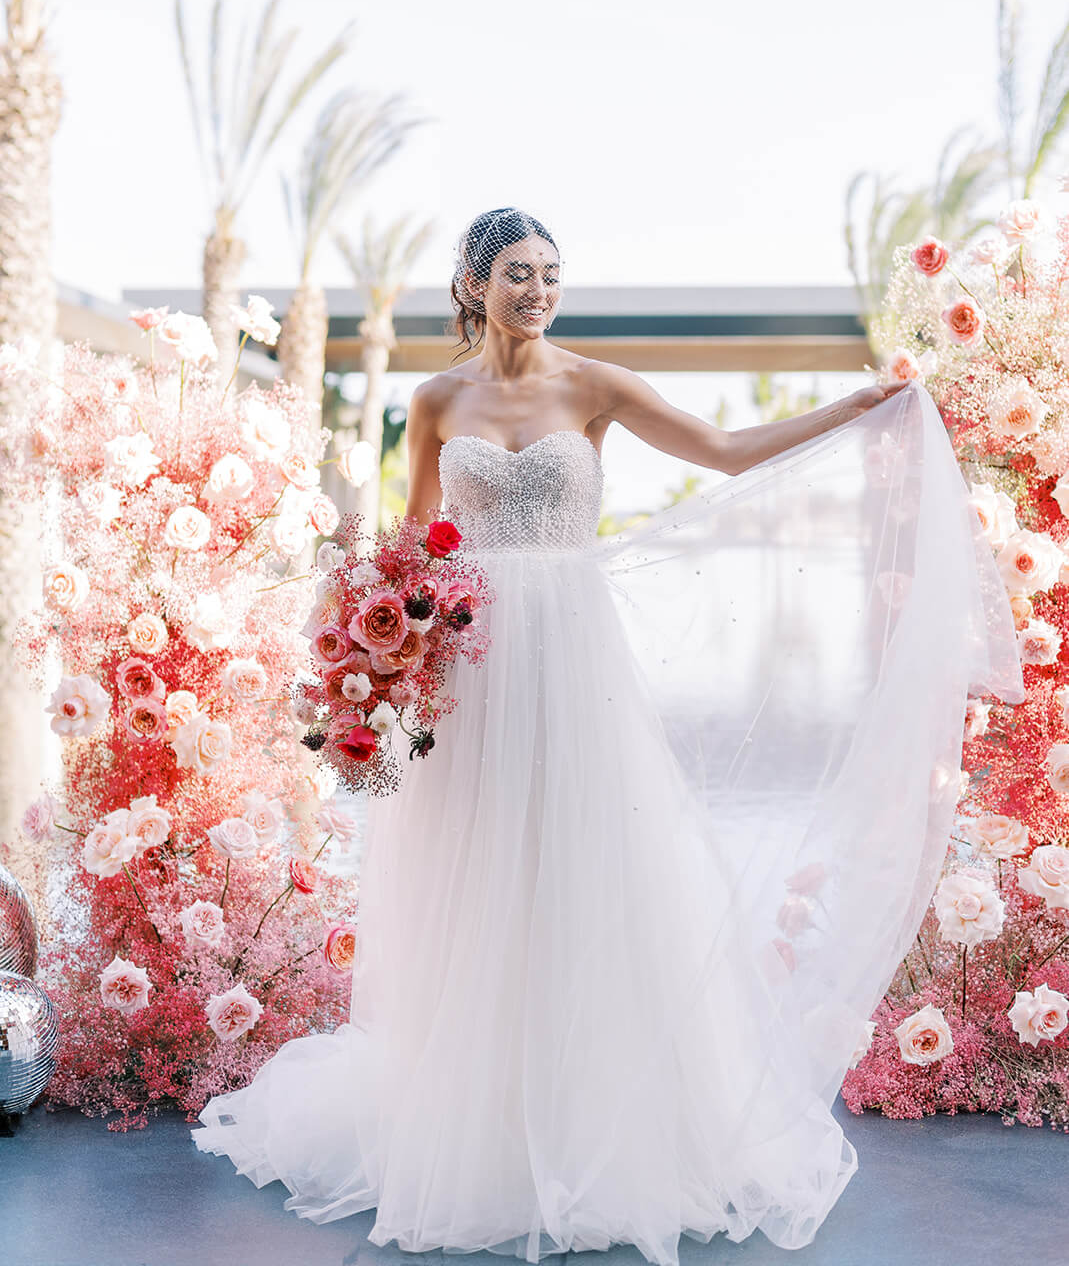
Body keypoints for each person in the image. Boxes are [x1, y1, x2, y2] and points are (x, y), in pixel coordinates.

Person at [194, 207, 1023, 1260]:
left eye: (550, 273)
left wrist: (850, 407)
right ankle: (476, 1124)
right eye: (516, 274)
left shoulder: (593, 383)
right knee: (479, 882)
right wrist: (367, 640)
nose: (537, 290)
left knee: (587, 873)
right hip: (473, 666)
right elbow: (414, 538)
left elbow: (722, 452)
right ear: (473, 283)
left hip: (571, 663)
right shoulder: (437, 396)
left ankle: (594, 1123)